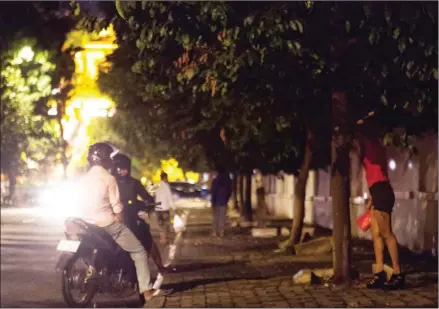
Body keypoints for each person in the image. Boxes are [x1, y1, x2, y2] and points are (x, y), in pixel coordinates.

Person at [80, 143, 163, 303]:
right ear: (106, 160)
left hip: (86, 222)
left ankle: (97, 269)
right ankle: (146, 291)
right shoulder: (109, 179)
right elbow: (117, 207)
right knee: (138, 251)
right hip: (106, 223)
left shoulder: (83, 179)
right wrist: (122, 223)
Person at [355, 119, 404, 290]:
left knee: (386, 233)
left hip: (382, 192)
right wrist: (371, 199)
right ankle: (379, 273)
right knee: (376, 235)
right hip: (377, 192)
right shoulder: (370, 148)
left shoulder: (372, 148)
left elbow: (377, 174)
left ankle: (397, 274)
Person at [112, 153, 168, 276]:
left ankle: (159, 265)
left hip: (130, 217)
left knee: (147, 238)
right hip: (113, 218)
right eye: (119, 168)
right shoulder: (111, 183)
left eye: (124, 168)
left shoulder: (133, 183)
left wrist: (148, 203)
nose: (122, 171)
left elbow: (146, 197)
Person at [210, 167, 232, 238]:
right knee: (222, 217)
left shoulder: (215, 181)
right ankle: (221, 232)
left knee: (216, 217)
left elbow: (213, 192)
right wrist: (227, 199)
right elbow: (229, 191)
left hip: (216, 201)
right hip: (224, 201)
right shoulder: (227, 181)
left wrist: (212, 201)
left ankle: (215, 232)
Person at [154, 172, 175, 245]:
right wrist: (174, 208)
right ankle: (164, 239)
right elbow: (169, 198)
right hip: (165, 208)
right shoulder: (166, 186)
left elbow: (153, 195)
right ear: (165, 178)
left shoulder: (157, 185)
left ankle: (162, 239)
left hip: (158, 209)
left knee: (160, 224)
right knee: (165, 224)